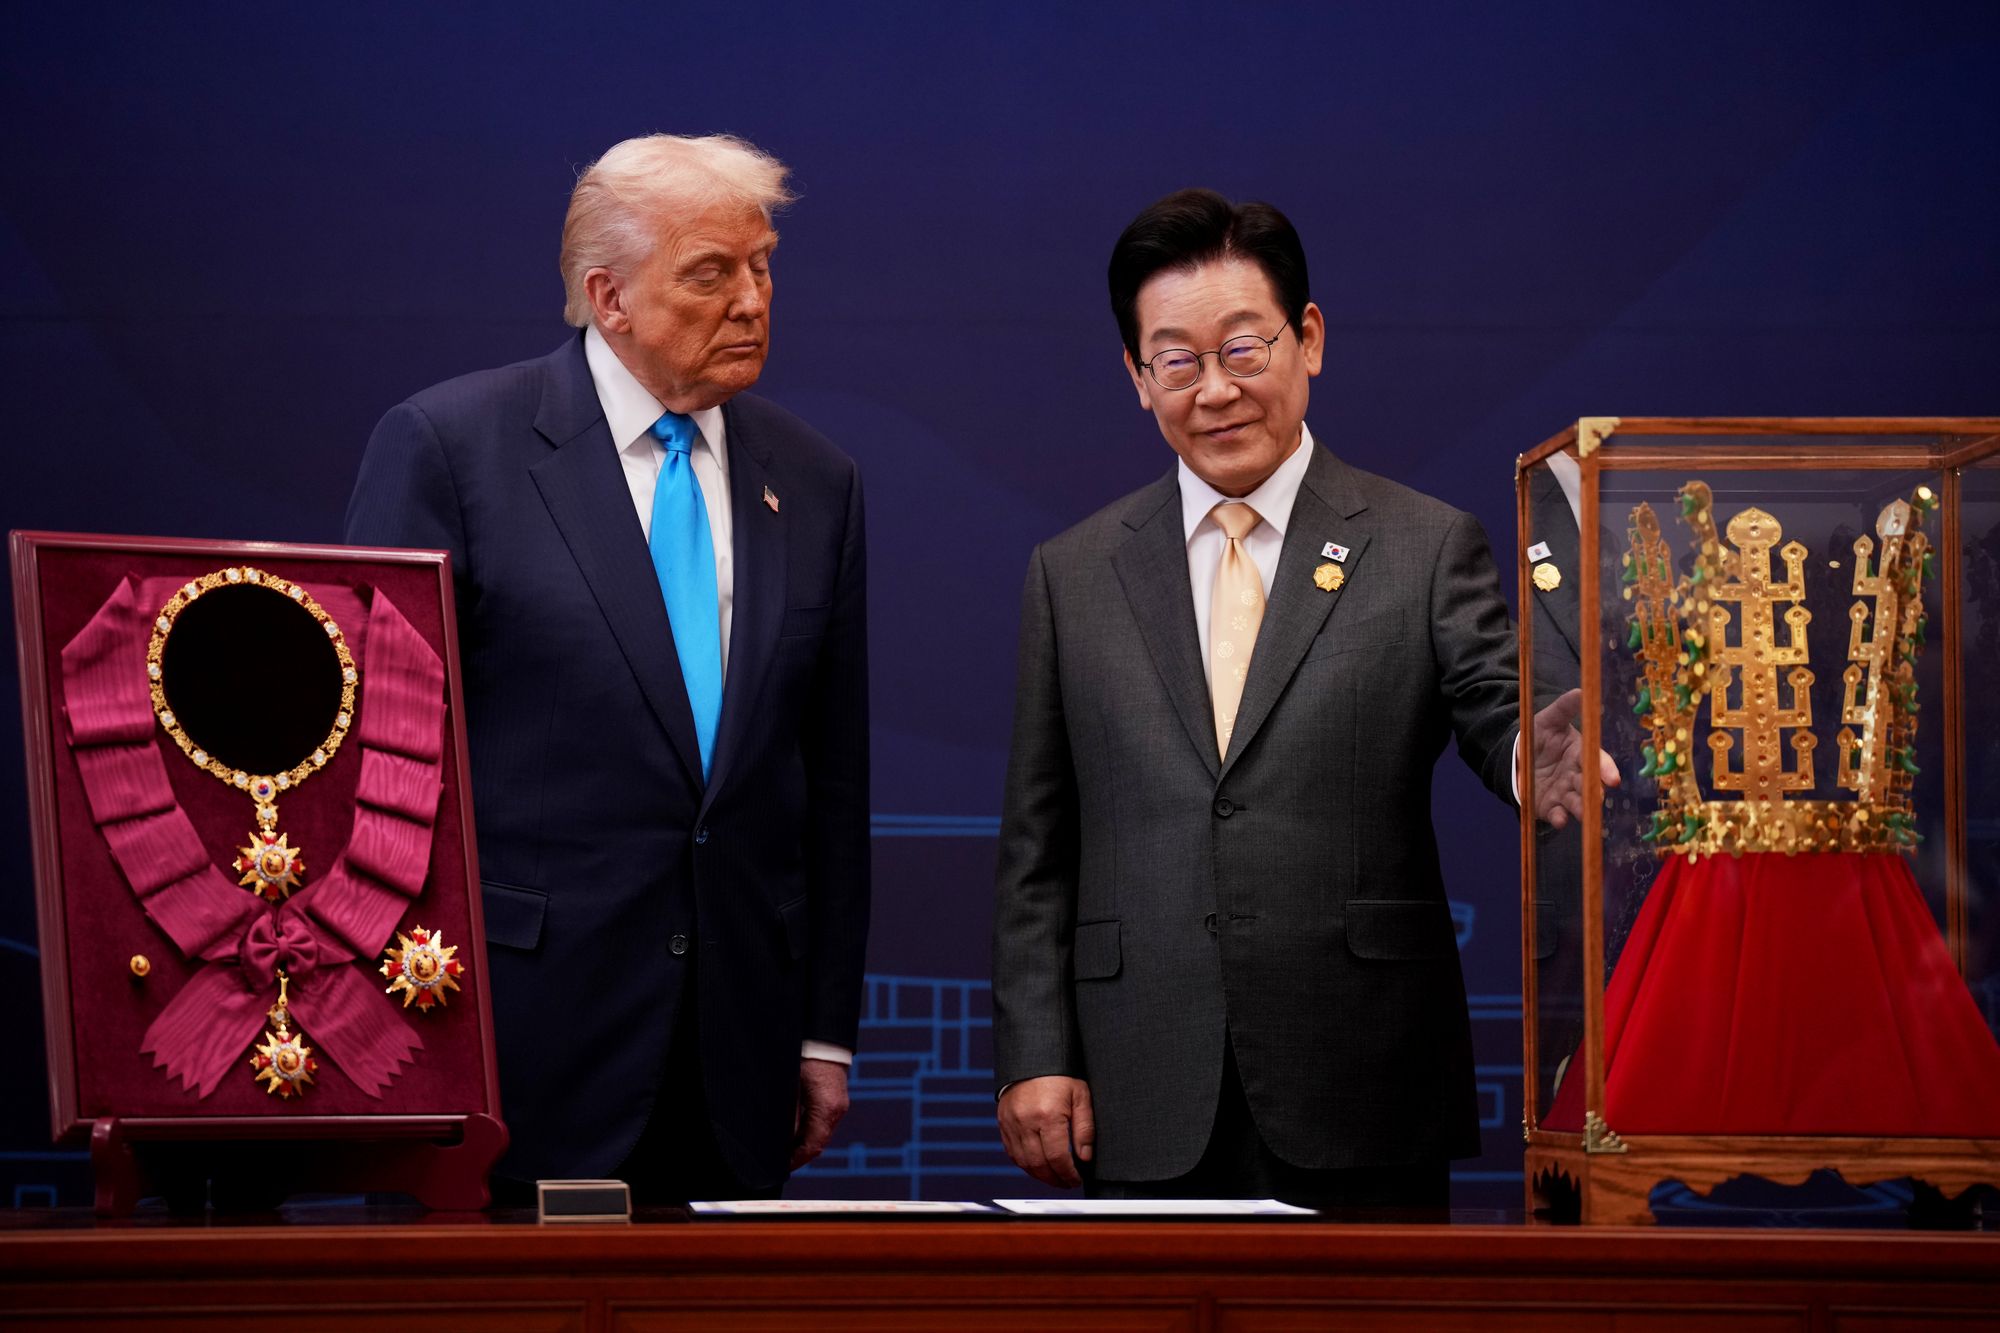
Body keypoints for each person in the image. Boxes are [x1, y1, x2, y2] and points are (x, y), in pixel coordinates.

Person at [991, 188, 1608, 1210]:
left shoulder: (1419, 543)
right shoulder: (1074, 572)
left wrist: (1522, 757)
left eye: (1244, 349)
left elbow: (1493, 698)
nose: (1215, 390)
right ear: (1137, 379)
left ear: (1307, 339)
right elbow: (1035, 847)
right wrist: (1032, 1053)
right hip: (1137, 1076)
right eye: (1177, 361)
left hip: (1359, 1070)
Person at [345, 133, 869, 1203]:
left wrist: (823, 1031)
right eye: (711, 274)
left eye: (762, 266)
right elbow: (373, 767)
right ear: (609, 296)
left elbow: (830, 783)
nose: (753, 301)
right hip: (511, 1045)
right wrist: (382, 1028)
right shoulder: (450, 448)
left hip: (737, 1057)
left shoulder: (815, 481)